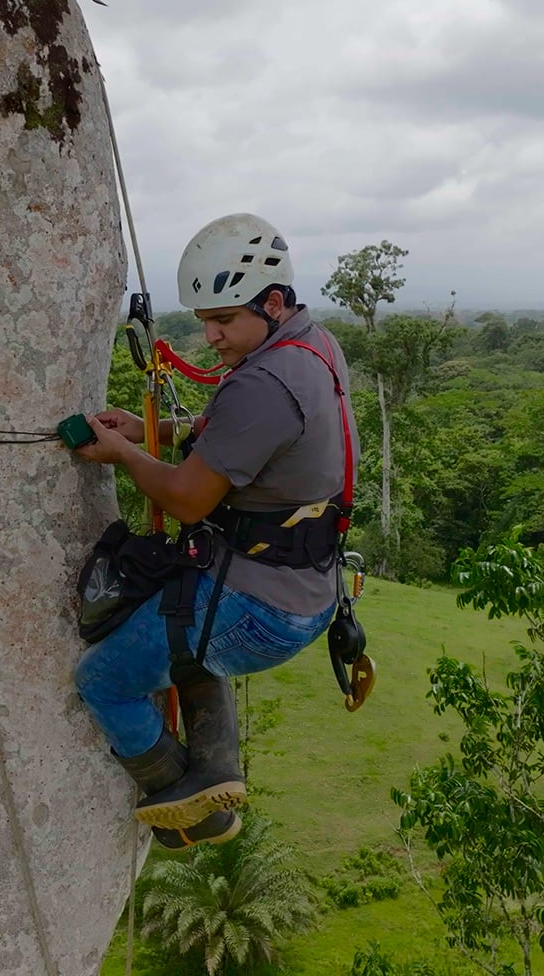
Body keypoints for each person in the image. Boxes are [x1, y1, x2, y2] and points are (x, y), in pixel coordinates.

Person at [73, 212, 357, 849]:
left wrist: (125, 455)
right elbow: (237, 440)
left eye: (224, 320)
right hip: (305, 588)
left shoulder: (266, 381)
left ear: (273, 302)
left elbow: (188, 499)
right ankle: (215, 766)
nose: (210, 336)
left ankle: (191, 804)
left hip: (260, 603)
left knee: (102, 678)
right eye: (205, 319)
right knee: (173, 633)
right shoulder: (312, 348)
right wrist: (151, 432)